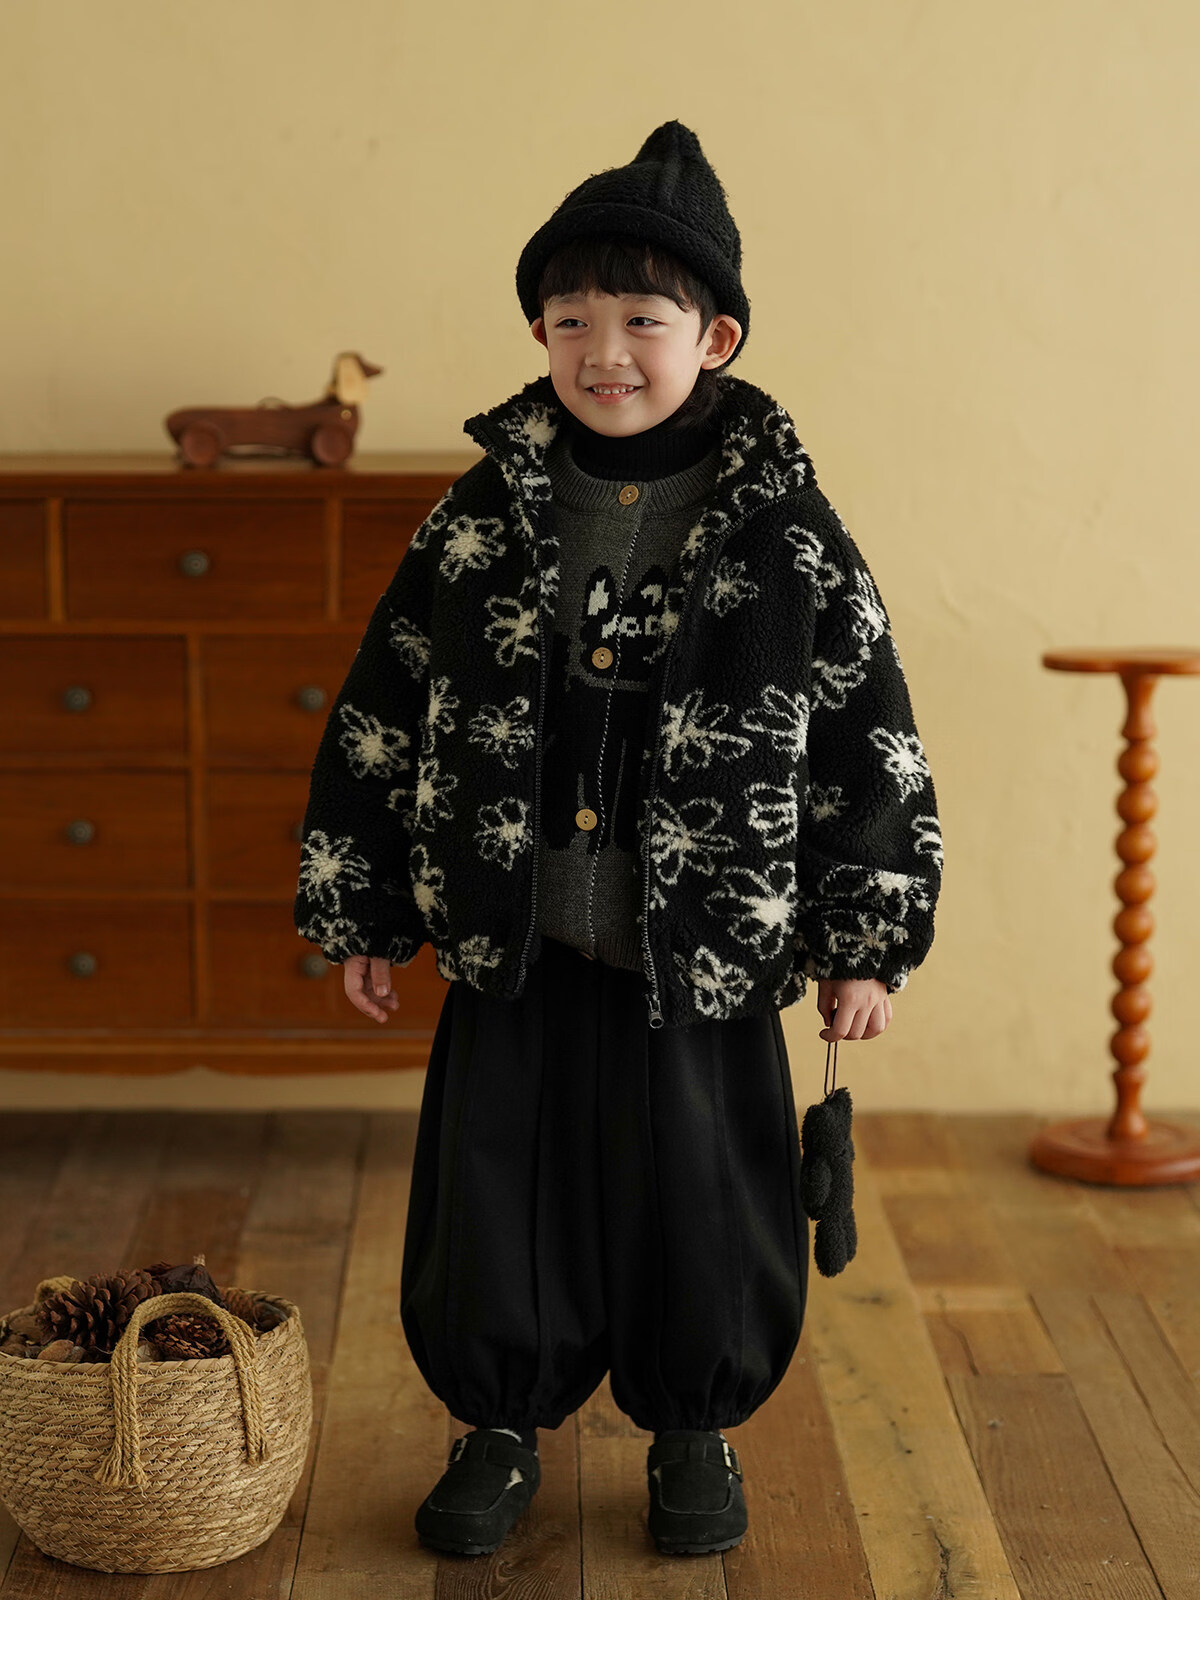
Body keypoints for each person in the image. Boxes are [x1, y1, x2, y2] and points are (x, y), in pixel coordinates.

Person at [293, 120, 943, 1559]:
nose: (605, 352)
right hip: (518, 941)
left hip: (701, 958)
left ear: (713, 338)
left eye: (643, 320)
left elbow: (867, 736)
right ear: (538, 331)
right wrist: (363, 907)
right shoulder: (481, 514)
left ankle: (694, 1426)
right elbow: (388, 700)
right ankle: (498, 1422)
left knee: (704, 1200)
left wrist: (864, 940)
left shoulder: (787, 533)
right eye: (571, 318)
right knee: (494, 1194)